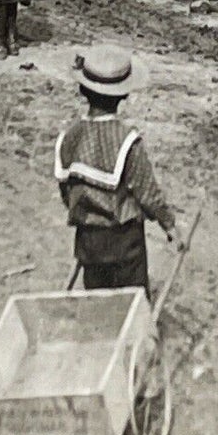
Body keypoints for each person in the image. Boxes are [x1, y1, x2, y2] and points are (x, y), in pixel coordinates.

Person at [55, 46, 178, 294]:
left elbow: (66, 190)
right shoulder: (127, 142)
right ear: (123, 96)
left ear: (82, 90)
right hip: (124, 241)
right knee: (131, 301)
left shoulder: (70, 137)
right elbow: (147, 192)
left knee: (98, 301)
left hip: (88, 239)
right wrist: (171, 226)